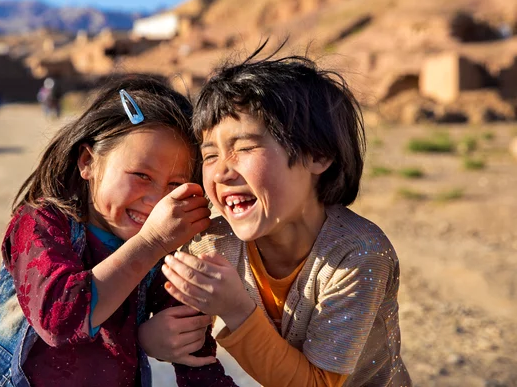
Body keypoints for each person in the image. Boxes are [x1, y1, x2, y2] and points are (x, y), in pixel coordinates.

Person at [156, 42, 411, 386]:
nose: (221, 173)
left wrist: (236, 310)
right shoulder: (213, 245)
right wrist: (154, 338)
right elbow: (165, 316)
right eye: (210, 155)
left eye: (244, 148)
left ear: (317, 155)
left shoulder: (356, 255)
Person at [0, 76, 237, 387]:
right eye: (141, 175)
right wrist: (152, 242)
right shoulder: (41, 223)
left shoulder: (167, 251)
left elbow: (197, 358)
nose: (157, 201)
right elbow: (60, 319)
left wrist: (161, 338)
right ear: (87, 162)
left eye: (174, 185)